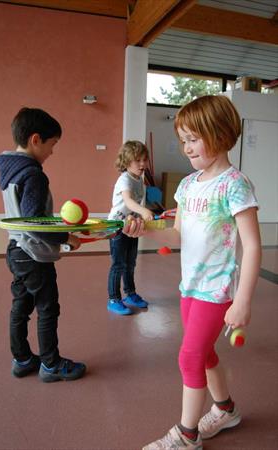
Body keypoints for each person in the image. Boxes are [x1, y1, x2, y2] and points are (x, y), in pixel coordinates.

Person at [124, 95, 261, 449]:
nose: (185, 148)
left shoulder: (234, 185)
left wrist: (242, 301)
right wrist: (147, 230)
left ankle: (187, 437)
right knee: (206, 354)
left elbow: (253, 246)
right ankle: (226, 410)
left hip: (216, 292)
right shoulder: (187, 185)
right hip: (190, 288)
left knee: (190, 357)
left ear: (219, 133)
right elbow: (176, 234)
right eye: (182, 140)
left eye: (192, 139)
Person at [0, 107, 86, 382]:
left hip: (15, 249)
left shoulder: (11, 169)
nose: (52, 152)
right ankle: (51, 364)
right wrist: (65, 237)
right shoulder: (33, 174)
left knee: (21, 306)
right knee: (47, 307)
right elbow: (35, 221)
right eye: (52, 144)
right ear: (36, 139)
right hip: (33, 253)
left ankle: (22, 359)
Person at [107, 140, 154, 315]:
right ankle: (113, 299)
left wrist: (143, 216)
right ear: (127, 162)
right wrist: (143, 210)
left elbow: (135, 207)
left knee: (130, 263)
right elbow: (128, 201)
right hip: (117, 227)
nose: (142, 164)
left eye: (144, 160)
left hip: (131, 227)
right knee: (118, 264)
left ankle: (130, 294)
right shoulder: (124, 179)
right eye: (138, 160)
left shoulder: (139, 180)